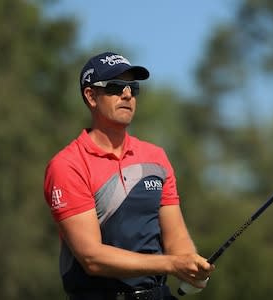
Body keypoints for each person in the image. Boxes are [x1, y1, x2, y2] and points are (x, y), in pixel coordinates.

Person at [43, 51, 214, 300]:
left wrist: (190, 263)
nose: (127, 94)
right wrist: (172, 264)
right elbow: (92, 257)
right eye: (115, 87)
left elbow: (175, 235)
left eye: (133, 88)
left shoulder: (156, 157)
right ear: (91, 96)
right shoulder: (67, 165)